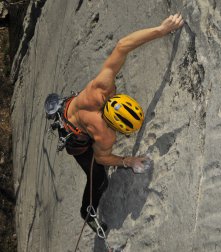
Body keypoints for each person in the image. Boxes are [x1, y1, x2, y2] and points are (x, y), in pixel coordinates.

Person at [56, 14, 184, 232]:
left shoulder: (102, 87)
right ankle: (87, 210)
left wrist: (161, 30)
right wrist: (128, 161)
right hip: (75, 136)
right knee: (99, 178)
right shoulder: (104, 135)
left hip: (70, 107)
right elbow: (102, 157)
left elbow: (123, 46)